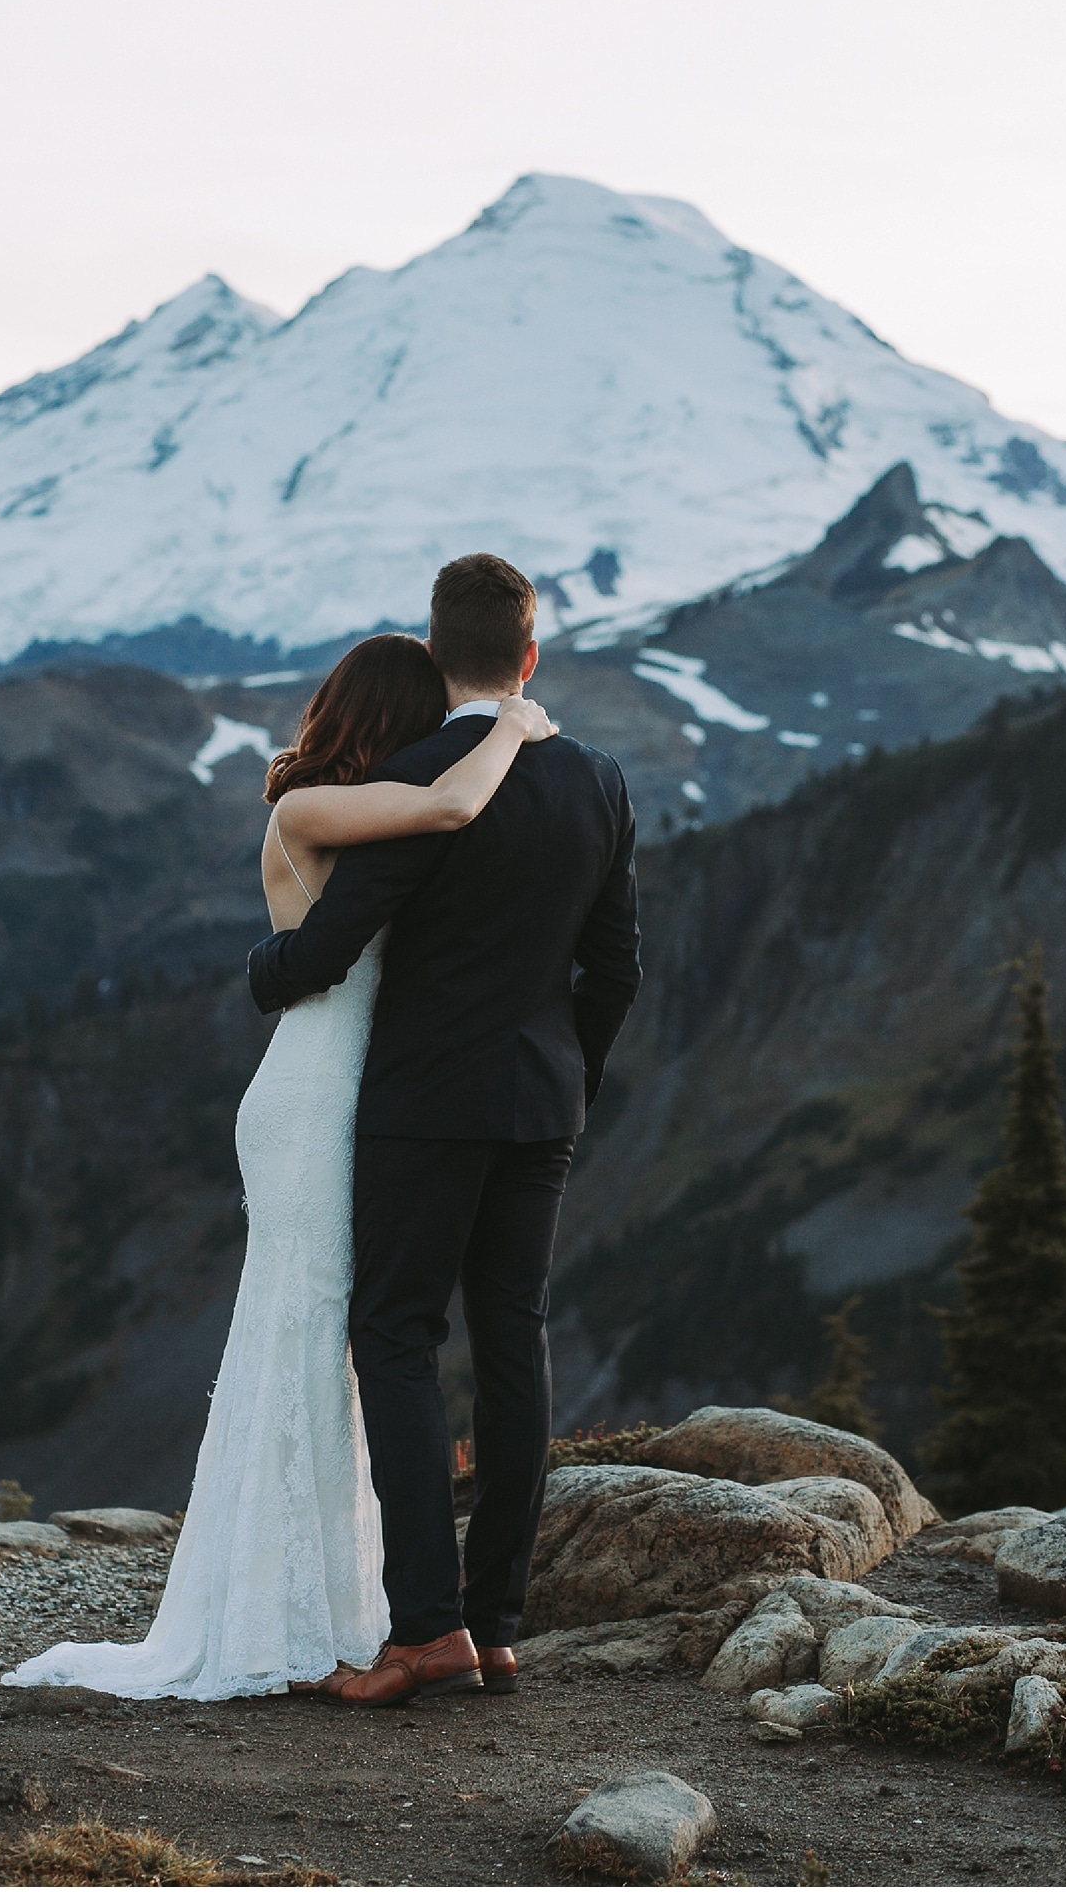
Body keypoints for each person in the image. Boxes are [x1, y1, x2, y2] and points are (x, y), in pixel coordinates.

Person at [2, 630, 557, 1702]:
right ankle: (275, 1607)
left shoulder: (369, 809)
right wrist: (514, 727)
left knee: (350, 1342)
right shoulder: (312, 812)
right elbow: (452, 807)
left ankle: (340, 1600)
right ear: (398, 722)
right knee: (313, 1329)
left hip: (371, 1093)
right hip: (314, 1096)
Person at [249, 552, 641, 1706]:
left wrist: (262, 967)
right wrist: (572, 1074)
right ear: (529, 658)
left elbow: (323, 952)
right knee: (514, 1339)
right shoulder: (599, 782)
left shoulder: (415, 775)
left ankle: (425, 1628)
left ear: (435, 652)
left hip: (425, 1102)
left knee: (399, 1332)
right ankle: (499, 1623)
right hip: (543, 1097)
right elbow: (614, 966)